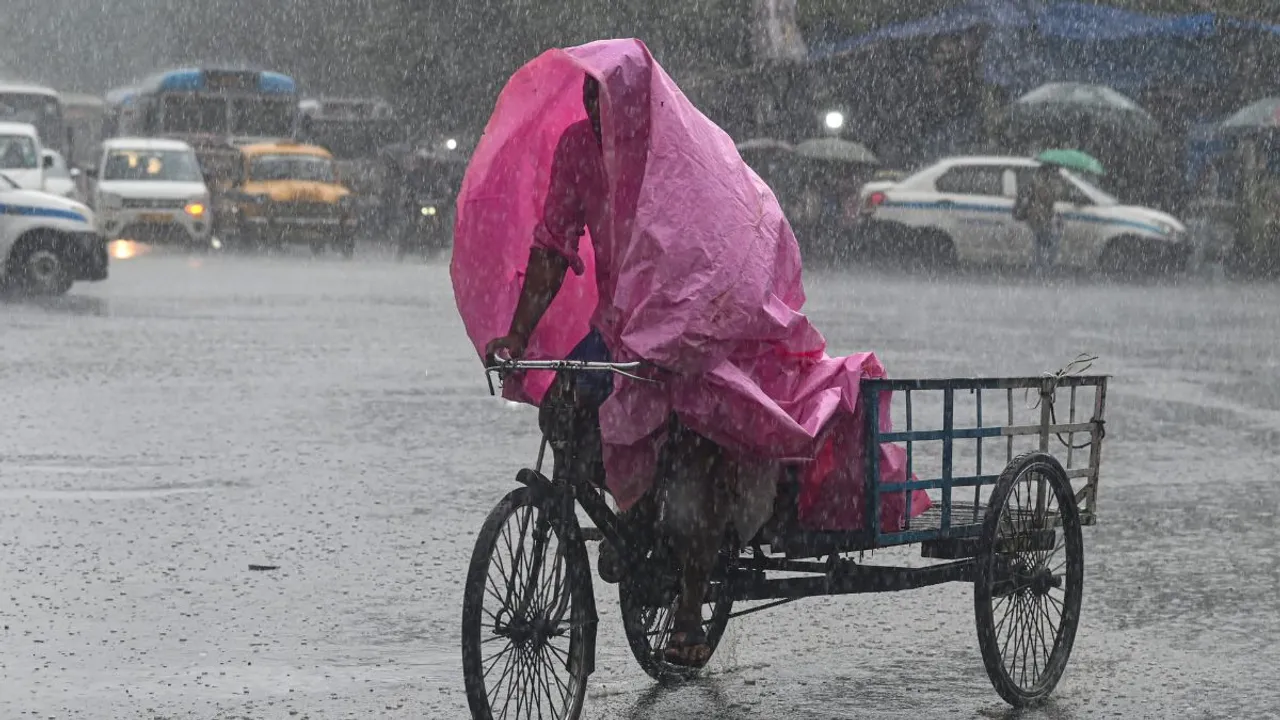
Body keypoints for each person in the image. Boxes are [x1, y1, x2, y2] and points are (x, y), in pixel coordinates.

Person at [484, 75, 766, 668]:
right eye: (589, 98)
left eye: (609, 100)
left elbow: (709, 240)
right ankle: (631, 520)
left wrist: (680, 326)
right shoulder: (577, 149)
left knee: (697, 436)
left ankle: (689, 606)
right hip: (618, 325)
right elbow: (553, 246)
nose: (597, 111)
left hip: (689, 315)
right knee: (564, 410)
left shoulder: (673, 151)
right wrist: (517, 333)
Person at [1015, 164, 1064, 274]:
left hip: (1041, 220)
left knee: (1042, 245)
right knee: (1044, 245)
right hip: (1039, 220)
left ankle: (1041, 267)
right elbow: (1045, 200)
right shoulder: (1039, 185)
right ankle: (1043, 268)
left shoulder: (1042, 184)